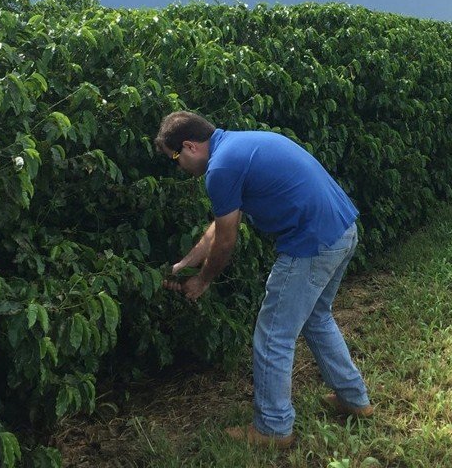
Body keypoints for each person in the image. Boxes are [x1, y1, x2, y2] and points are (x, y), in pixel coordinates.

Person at [156, 111, 373, 449]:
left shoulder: (221, 168)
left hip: (311, 243)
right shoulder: (238, 146)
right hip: (342, 230)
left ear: (189, 146)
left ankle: (273, 429)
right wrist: (184, 264)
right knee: (316, 317)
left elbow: (227, 240)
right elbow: (219, 226)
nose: (179, 166)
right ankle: (354, 399)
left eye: (175, 158)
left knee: (273, 335)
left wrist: (202, 281)